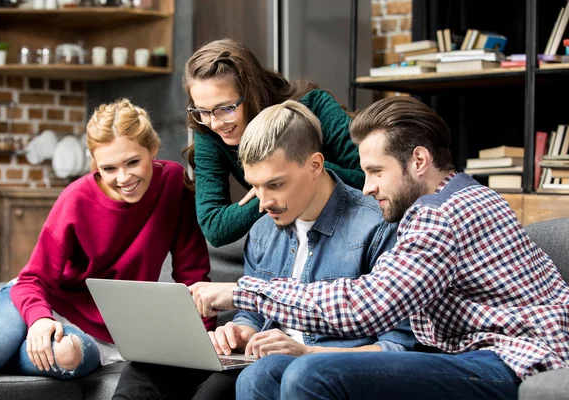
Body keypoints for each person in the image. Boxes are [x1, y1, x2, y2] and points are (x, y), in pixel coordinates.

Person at [190, 96, 569, 400]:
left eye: (376, 171)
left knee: (310, 373)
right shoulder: (465, 196)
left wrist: (243, 292)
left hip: (516, 358)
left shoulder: (441, 215)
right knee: (265, 374)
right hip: (493, 353)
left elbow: (366, 307)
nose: (367, 186)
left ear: (418, 160)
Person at [112, 101, 417, 400]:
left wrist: (305, 351)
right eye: (255, 186)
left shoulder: (377, 226)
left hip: (316, 366)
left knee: (224, 387)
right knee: (144, 370)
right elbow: (252, 316)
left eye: (275, 184)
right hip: (257, 357)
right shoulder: (263, 230)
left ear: (315, 165)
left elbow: (397, 348)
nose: (263, 201)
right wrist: (239, 332)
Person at [0, 98, 214, 380]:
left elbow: (193, 274)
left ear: (153, 149)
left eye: (133, 162)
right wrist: (38, 319)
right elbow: (33, 279)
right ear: (95, 163)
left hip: (103, 332)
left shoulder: (173, 184)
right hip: (41, 302)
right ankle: (4, 352)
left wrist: (205, 337)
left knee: (67, 357)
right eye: (109, 168)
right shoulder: (76, 199)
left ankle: (10, 356)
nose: (124, 178)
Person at [184, 38, 364, 247]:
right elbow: (214, 226)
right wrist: (268, 192)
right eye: (203, 111)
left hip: (349, 220)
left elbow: (368, 180)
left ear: (250, 94)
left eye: (226, 108)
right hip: (290, 230)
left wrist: (299, 172)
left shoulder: (315, 105)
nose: (215, 123)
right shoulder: (208, 131)